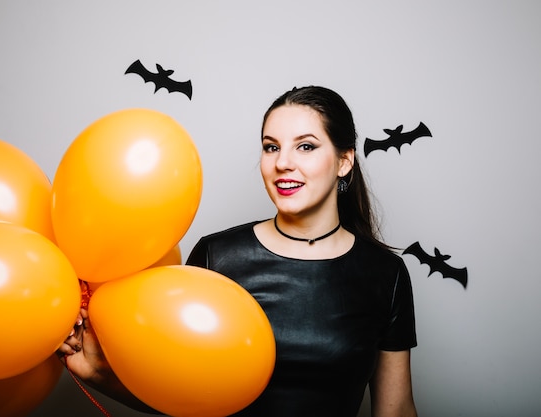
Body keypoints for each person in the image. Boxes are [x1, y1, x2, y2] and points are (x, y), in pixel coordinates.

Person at [59, 85, 418, 417]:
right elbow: (186, 396)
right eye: (271, 146)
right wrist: (97, 374)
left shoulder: (385, 274)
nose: (282, 163)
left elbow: (396, 409)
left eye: (305, 146)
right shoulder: (217, 256)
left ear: (344, 161)